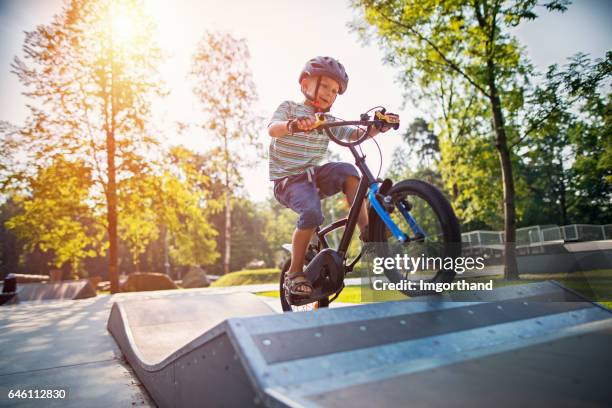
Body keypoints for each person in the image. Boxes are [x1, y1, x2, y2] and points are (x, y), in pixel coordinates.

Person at [267, 56, 398, 298]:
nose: (329, 93)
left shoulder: (328, 121)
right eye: (325, 86)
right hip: (288, 182)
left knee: (348, 170)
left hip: (313, 176)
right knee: (312, 212)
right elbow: (273, 129)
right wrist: (294, 125)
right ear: (305, 84)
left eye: (335, 90)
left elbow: (355, 133)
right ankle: (294, 273)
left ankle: (368, 232)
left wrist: (378, 127)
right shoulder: (290, 108)